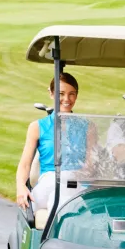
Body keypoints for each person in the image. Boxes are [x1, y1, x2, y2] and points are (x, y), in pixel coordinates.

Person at [14, 72, 96, 214]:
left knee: (60, 198)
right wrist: (21, 186)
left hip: (76, 183)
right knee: (50, 199)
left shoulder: (88, 126)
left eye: (72, 94)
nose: (66, 99)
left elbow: (91, 163)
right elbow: (25, 164)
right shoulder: (37, 127)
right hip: (49, 181)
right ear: (52, 94)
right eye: (61, 93)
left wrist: (83, 172)